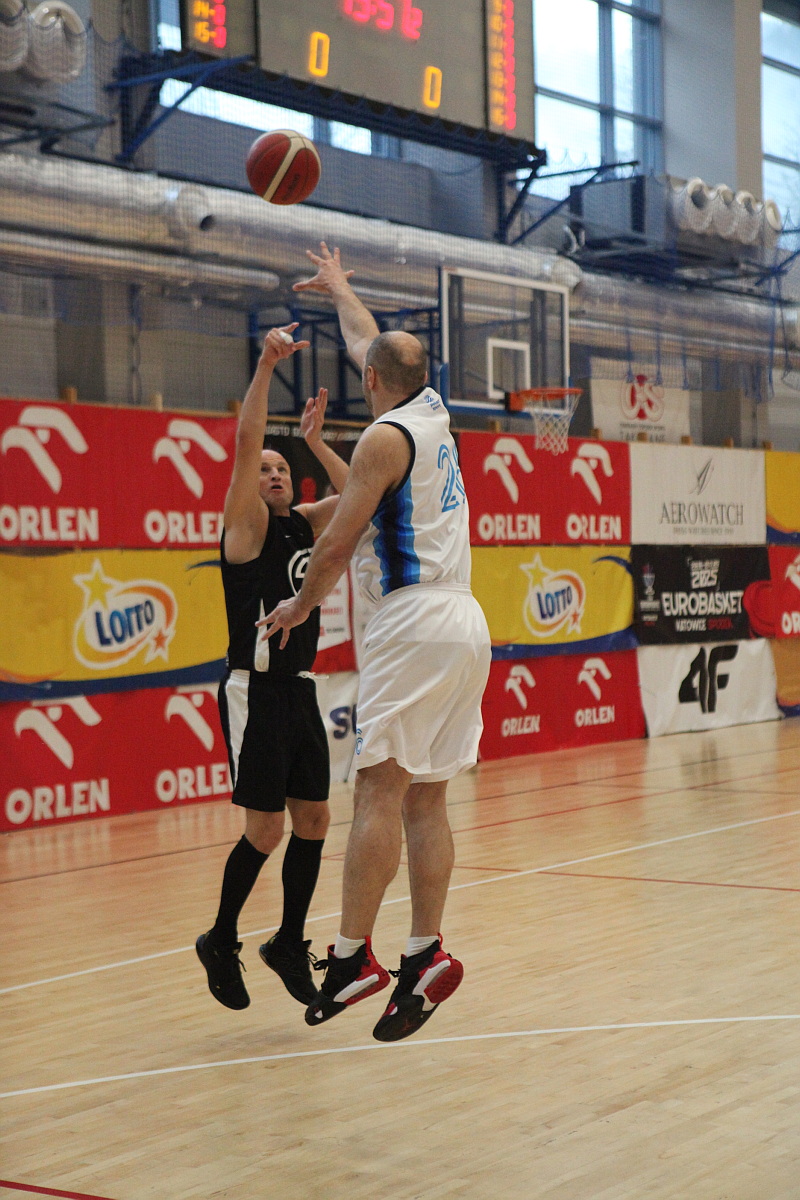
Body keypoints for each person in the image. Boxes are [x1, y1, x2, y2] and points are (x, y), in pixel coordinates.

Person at [260, 246, 491, 1042]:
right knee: (427, 794)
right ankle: (424, 952)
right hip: (464, 621)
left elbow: (333, 546)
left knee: (378, 790)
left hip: (413, 620)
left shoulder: (383, 440)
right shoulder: (434, 410)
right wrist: (341, 289)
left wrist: (299, 606)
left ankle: (353, 956)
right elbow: (372, 343)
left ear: (370, 382)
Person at [196, 323, 350, 1011]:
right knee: (264, 830)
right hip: (254, 690)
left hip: (300, 691)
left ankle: (288, 941)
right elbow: (246, 443)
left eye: (283, 468)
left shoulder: (304, 522)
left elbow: (363, 495)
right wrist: (265, 366)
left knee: (314, 819)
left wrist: (316, 442)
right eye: (265, 470)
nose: (274, 473)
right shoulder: (246, 525)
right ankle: (220, 938)